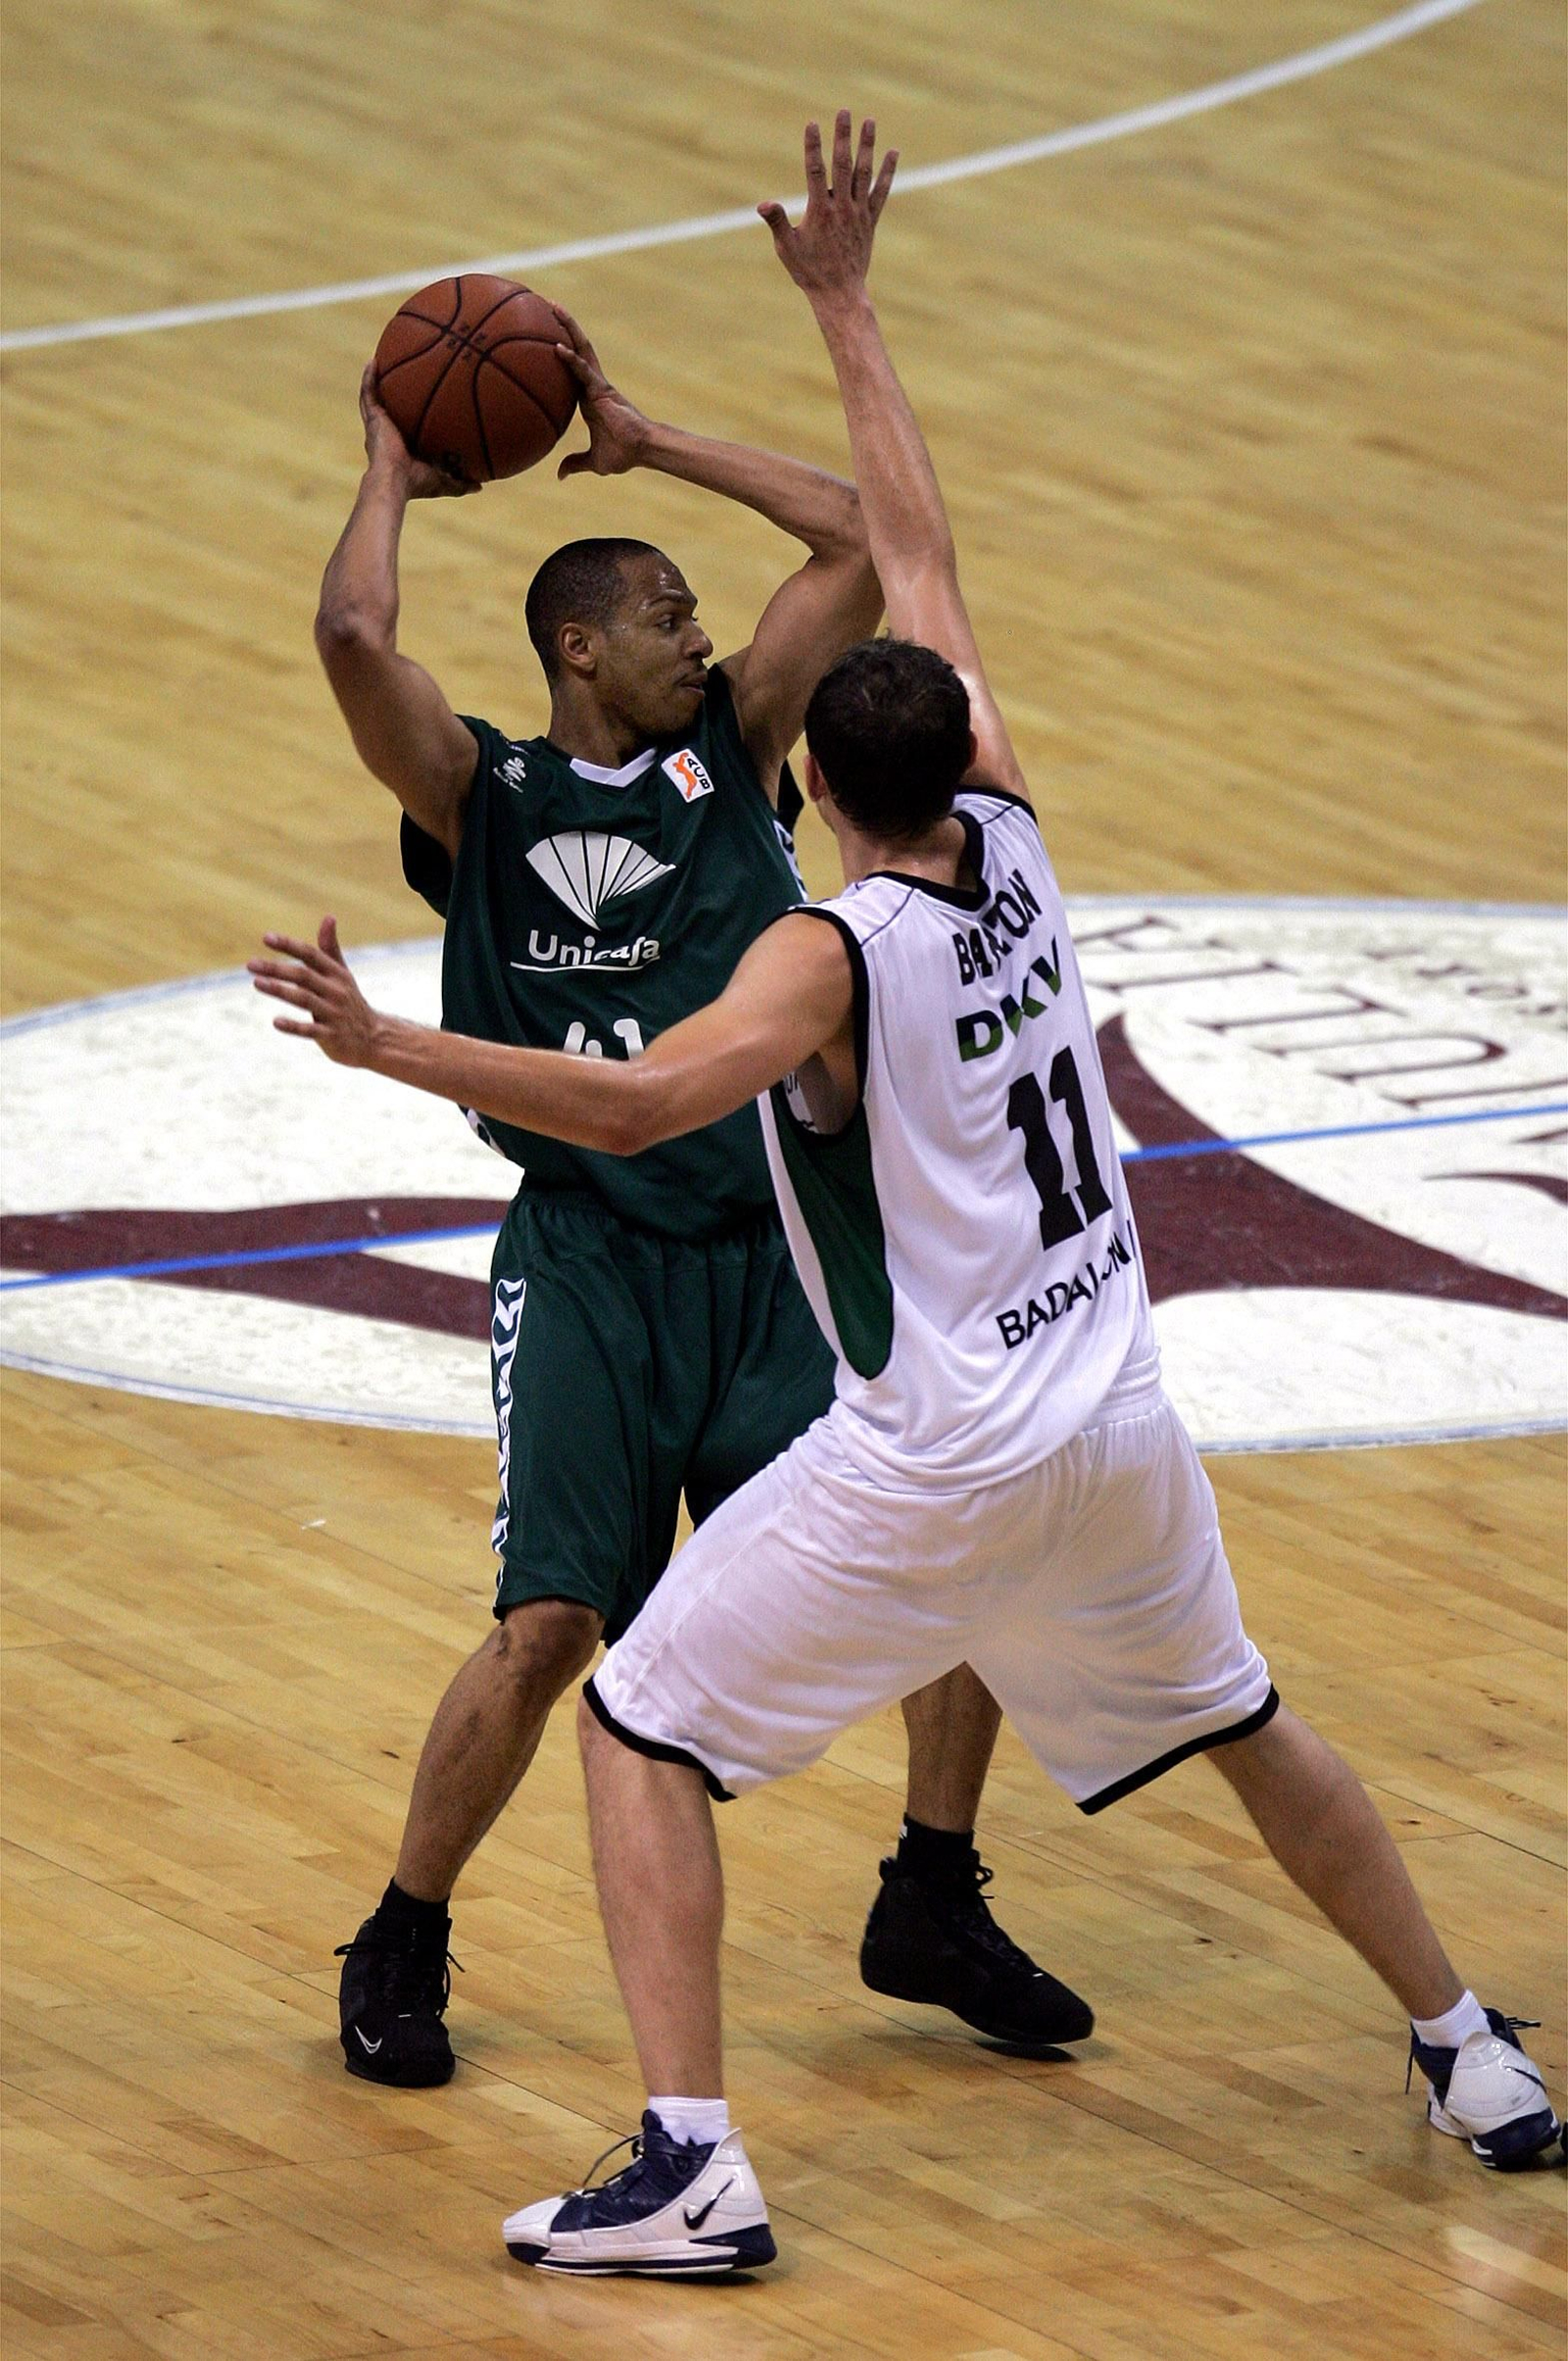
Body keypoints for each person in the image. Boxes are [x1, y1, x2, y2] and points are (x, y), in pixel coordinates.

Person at [261, 116, 1563, 2271]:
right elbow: (917, 548)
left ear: (810, 785)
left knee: (646, 1727)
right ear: (954, 752)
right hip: (1114, 1421)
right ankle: (1462, 2044)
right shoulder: (1025, 838)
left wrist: (386, 1038)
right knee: (1248, 1721)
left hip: (938, 1443)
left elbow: (649, 1096)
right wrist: (845, 306)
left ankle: (693, 2156)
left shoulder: (826, 948)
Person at [310, 256, 1092, 2089]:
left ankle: (932, 1886)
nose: (698, 634)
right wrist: (386, 466)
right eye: (662, 615)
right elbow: (357, 646)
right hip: (588, 1256)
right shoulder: (479, 801)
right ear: (577, 649)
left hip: (779, 1254)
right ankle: (404, 1924)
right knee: (553, 1625)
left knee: (952, 1549)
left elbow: (850, 548)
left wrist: (650, 445)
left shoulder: (740, 752)